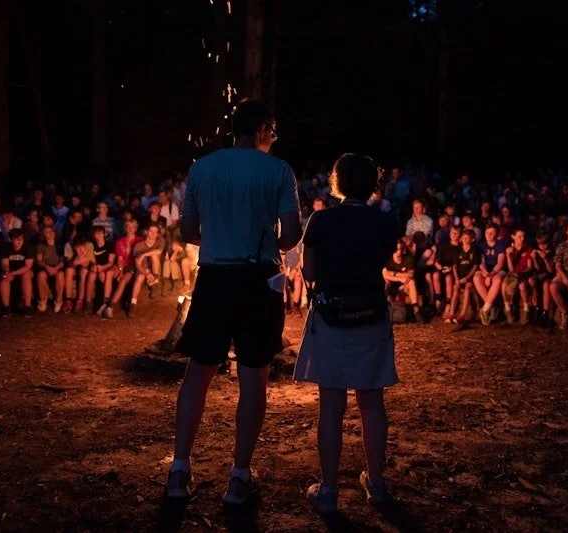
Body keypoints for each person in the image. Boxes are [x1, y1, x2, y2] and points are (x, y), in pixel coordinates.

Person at [166, 99, 301, 505]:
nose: (273, 139)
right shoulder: (278, 170)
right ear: (262, 129)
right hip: (257, 278)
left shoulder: (202, 167)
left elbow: (188, 230)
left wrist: (223, 239)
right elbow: (292, 234)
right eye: (273, 132)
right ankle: (238, 478)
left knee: (198, 374)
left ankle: (178, 471)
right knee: (253, 377)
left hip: (214, 276)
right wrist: (261, 241)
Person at [294, 153, 399, 514]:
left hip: (332, 316)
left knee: (332, 405)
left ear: (336, 182)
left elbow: (308, 271)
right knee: (372, 402)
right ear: (373, 184)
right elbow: (381, 261)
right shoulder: (385, 222)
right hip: (370, 315)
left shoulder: (320, 220)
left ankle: (328, 490)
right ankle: (377, 484)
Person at [103, 218, 142, 319]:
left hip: (132, 266)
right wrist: (120, 270)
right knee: (109, 273)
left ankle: (110, 307)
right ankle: (105, 301)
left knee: (123, 280)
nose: (130, 229)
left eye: (132, 227)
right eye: (128, 226)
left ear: (136, 228)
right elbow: (120, 258)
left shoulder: (139, 240)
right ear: (125, 228)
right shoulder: (120, 241)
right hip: (122, 264)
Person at [129, 223, 165, 317]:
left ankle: (154, 283)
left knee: (154, 255)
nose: (153, 234)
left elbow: (159, 251)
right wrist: (146, 274)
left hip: (155, 269)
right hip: (143, 269)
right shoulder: (138, 246)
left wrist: (144, 254)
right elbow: (138, 265)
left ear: (158, 234)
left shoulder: (160, 241)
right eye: (151, 231)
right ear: (146, 232)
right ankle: (133, 304)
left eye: (155, 232)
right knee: (140, 277)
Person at [474, 224, 507, 325]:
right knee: (476, 278)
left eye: (492, 233)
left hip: (497, 270)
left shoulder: (501, 245)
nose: (489, 234)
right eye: (488, 232)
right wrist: (485, 272)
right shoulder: (481, 246)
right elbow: (481, 262)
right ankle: (492, 307)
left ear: (496, 234)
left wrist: (491, 274)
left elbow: (500, 263)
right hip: (486, 270)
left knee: (497, 280)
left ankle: (484, 310)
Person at [0, 229, 35, 318]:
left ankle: (27, 307)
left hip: (23, 271)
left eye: (21, 239)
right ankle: (6, 308)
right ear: (10, 240)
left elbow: (28, 266)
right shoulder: (5, 247)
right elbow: (4, 264)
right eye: (16, 239)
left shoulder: (28, 246)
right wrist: (7, 272)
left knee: (26, 274)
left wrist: (13, 273)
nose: (19, 241)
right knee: (4, 277)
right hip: (11, 271)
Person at [502, 228, 535, 324]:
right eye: (519, 236)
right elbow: (511, 269)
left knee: (522, 286)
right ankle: (508, 309)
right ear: (513, 237)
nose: (522, 239)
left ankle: (526, 309)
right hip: (513, 274)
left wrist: (522, 273)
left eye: (523, 236)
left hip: (523, 273)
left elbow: (530, 266)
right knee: (504, 285)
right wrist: (508, 255)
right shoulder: (510, 249)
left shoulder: (528, 248)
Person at [451, 229, 480, 324]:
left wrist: (467, 278)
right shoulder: (458, 250)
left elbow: (475, 266)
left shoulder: (475, 250)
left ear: (472, 239)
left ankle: (462, 315)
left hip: (469, 278)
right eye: (463, 237)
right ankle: (451, 313)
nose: (464, 239)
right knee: (455, 287)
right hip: (460, 277)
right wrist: (456, 279)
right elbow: (454, 266)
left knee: (468, 287)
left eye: (467, 237)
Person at [433, 225, 461, 320]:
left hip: (453, 269)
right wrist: (439, 267)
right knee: (436, 275)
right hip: (442, 267)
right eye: (453, 232)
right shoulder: (444, 245)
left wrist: (450, 269)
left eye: (457, 233)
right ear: (450, 233)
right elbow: (436, 261)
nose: (454, 235)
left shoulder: (460, 248)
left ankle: (448, 304)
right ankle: (438, 300)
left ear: (459, 235)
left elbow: (457, 263)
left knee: (449, 278)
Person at [35, 226, 66, 313]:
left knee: (60, 275)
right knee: (41, 275)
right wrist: (47, 267)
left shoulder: (60, 245)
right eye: (47, 232)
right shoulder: (41, 245)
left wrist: (55, 268)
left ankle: (58, 301)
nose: (50, 233)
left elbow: (63, 261)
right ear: (43, 235)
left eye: (52, 231)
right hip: (45, 268)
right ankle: (42, 301)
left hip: (57, 268)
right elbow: (39, 260)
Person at [64, 236, 96, 313]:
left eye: (82, 246)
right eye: (78, 247)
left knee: (84, 271)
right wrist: (77, 260)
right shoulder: (68, 245)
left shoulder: (89, 245)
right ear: (74, 247)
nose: (81, 249)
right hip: (73, 265)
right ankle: (68, 301)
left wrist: (81, 258)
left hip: (85, 267)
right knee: (69, 270)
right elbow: (70, 264)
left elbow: (86, 264)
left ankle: (80, 300)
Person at [91, 225, 116, 316]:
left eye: (100, 232)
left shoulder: (109, 244)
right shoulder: (92, 245)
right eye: (96, 233)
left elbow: (111, 262)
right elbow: (91, 259)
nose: (99, 235)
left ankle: (105, 303)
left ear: (104, 234)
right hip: (97, 268)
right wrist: (96, 266)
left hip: (107, 267)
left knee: (103, 274)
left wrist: (102, 267)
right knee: (101, 275)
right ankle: (104, 303)